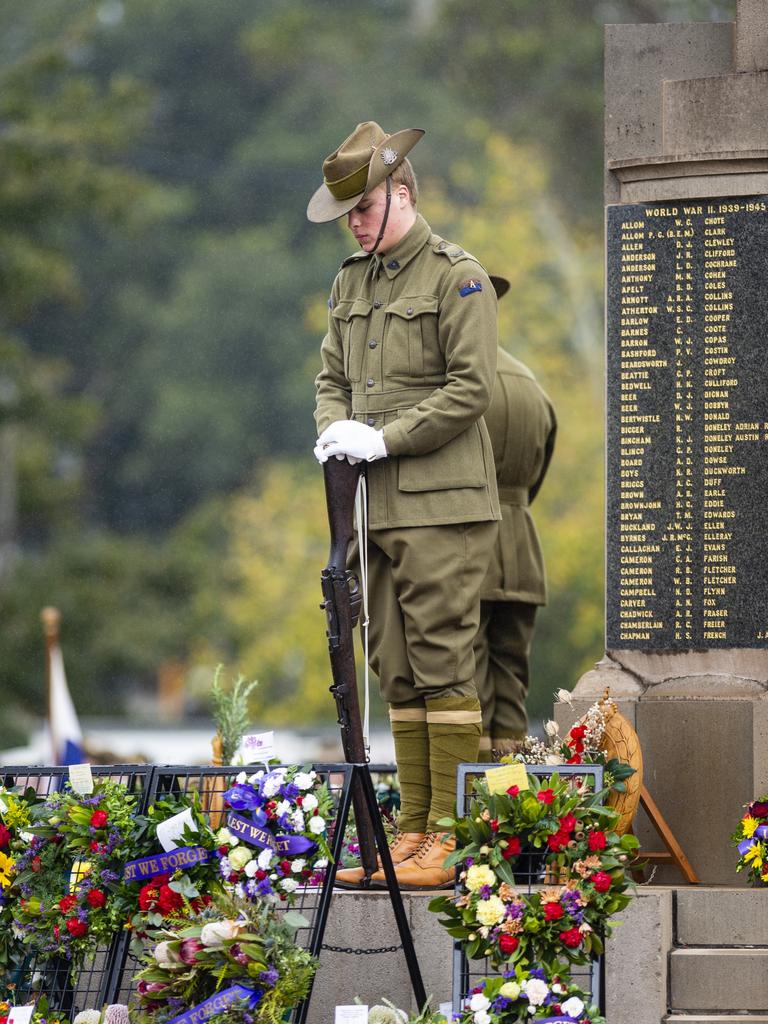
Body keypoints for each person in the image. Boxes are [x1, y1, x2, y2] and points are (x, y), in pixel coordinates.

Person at [309, 121, 501, 888]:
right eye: (347, 213)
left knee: (444, 660)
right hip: (373, 509)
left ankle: (450, 837)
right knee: (395, 666)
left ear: (403, 193)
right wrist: (334, 433)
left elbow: (471, 389)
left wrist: (382, 438)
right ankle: (414, 831)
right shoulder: (352, 283)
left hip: (442, 504)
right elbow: (331, 377)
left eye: (364, 207)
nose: (354, 223)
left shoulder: (458, 277)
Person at [474, 275, 557, 759]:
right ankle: (511, 801)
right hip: (523, 549)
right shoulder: (531, 384)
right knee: (510, 685)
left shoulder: (455, 386)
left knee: (465, 684)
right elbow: (537, 477)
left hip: (464, 545)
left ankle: (470, 812)